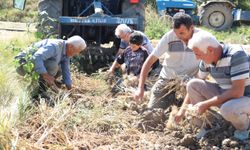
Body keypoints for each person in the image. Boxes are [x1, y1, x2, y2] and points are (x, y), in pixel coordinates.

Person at [175, 30, 250, 140]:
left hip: (245, 96)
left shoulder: (236, 55)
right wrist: (182, 109)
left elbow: (237, 92)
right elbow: (197, 80)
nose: (197, 58)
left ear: (210, 50)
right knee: (192, 84)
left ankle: (245, 128)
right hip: (225, 92)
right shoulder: (206, 59)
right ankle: (207, 124)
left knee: (228, 109)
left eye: (198, 54)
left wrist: (206, 104)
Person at [134, 12, 201, 109]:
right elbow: (149, 62)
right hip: (167, 79)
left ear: (191, 28)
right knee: (153, 112)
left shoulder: (202, 38)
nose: (179, 37)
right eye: (176, 33)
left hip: (190, 82)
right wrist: (140, 89)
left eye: (182, 33)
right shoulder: (169, 37)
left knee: (194, 113)